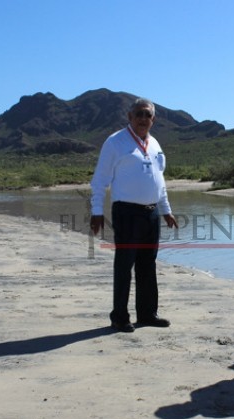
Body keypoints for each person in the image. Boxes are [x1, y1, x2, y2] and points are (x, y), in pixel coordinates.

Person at [89, 98, 178, 333]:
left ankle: (147, 313)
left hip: (151, 213)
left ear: (153, 119)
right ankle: (119, 316)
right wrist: (96, 211)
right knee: (124, 265)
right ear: (129, 117)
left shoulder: (155, 143)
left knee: (147, 265)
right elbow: (99, 181)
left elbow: (160, 182)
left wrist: (166, 210)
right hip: (127, 212)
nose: (143, 119)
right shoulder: (115, 142)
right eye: (138, 114)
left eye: (147, 115)